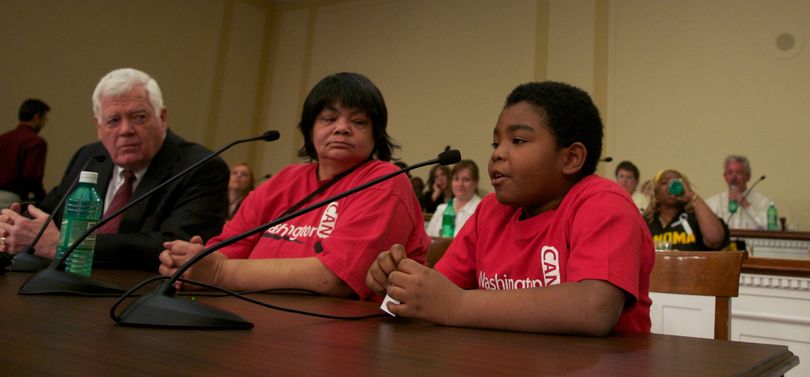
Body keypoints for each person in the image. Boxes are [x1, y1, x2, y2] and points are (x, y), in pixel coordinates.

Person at [367, 81, 654, 335]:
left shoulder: (603, 203)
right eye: (496, 142)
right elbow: (438, 291)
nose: (497, 153)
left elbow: (595, 308)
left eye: (517, 140)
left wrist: (457, 305)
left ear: (571, 158)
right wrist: (399, 287)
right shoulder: (491, 211)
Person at [159, 72, 428, 300]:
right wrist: (191, 264)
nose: (342, 128)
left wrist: (218, 273)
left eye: (358, 122)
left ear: (376, 134)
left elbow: (335, 278)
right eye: (329, 118)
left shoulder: (385, 181)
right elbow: (228, 250)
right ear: (310, 128)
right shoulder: (284, 181)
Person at [0, 68, 229, 271]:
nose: (126, 130)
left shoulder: (202, 168)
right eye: (113, 120)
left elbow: (175, 245)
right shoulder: (89, 156)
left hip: (137, 296)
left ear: (162, 118)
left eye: (139, 117)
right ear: (99, 127)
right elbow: (52, 211)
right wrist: (15, 224)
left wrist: (66, 246)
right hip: (68, 284)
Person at [644, 169, 729, 251]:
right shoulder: (646, 222)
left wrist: (692, 196)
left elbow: (715, 240)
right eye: (664, 182)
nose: (671, 185)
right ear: (655, 193)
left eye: (678, 182)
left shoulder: (696, 217)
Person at [0, 99, 50, 209]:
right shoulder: (35, 142)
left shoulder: (3, 138)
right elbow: (31, 176)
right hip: (11, 198)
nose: (44, 123)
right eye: (44, 119)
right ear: (37, 117)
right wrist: (43, 198)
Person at [705, 155, 771, 230]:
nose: (734, 177)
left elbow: (773, 229)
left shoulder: (762, 201)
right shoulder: (713, 202)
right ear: (725, 177)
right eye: (730, 173)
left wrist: (746, 205)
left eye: (738, 173)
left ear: (748, 176)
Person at [426, 159, 482, 237]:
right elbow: (428, 239)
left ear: (475, 183)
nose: (460, 184)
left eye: (466, 180)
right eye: (456, 179)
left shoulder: (481, 210)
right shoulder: (441, 209)